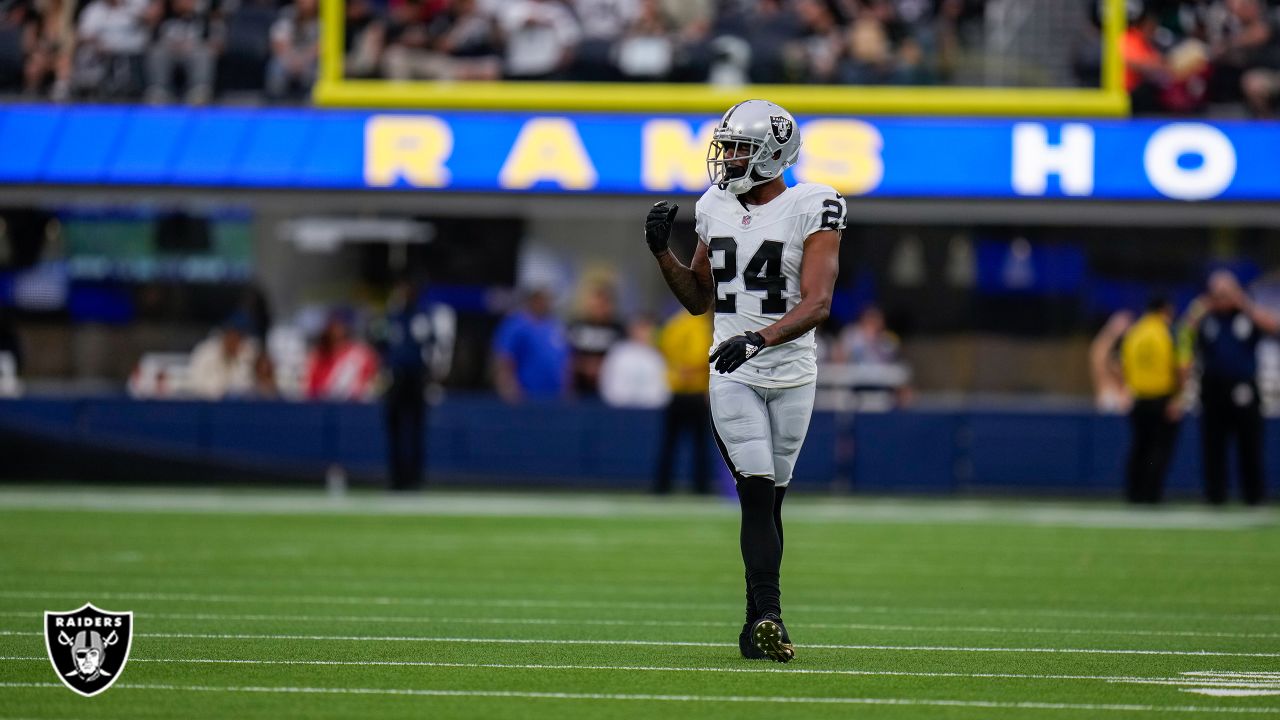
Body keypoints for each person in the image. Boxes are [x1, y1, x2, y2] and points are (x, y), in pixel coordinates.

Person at [646, 98, 845, 663]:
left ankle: (753, 623)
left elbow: (819, 301)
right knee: (755, 494)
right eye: (728, 146)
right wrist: (663, 252)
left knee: (772, 502)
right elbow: (696, 299)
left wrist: (758, 339)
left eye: (740, 148)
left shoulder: (815, 203)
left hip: (791, 373)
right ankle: (768, 615)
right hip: (730, 374)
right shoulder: (714, 204)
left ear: (774, 154)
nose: (728, 158)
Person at [1188, 270, 1280, 506]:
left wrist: (1244, 303)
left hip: (1243, 387)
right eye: (1217, 294)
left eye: (1226, 293)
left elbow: (1273, 326)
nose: (1222, 299)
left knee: (1249, 445)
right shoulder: (1207, 318)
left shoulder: (1246, 315)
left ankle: (1254, 496)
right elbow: (1185, 330)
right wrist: (1201, 307)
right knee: (1213, 445)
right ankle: (1215, 496)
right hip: (1213, 388)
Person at [377, 279, 455, 491]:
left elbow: (435, 346)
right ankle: (396, 477)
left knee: (416, 429)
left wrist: (433, 374)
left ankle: (415, 477)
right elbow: (381, 343)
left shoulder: (424, 317)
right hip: (396, 377)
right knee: (395, 429)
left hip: (416, 377)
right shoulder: (392, 317)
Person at [1120, 297, 1182, 504]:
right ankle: (1151, 494)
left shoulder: (1134, 332)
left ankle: (1134, 493)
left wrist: (1127, 389)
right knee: (1159, 449)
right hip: (1161, 397)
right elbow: (1181, 367)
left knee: (1139, 446)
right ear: (1165, 309)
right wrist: (1178, 397)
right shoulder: (1168, 332)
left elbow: (1122, 364)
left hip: (1138, 398)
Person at [654, 308, 713, 495]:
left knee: (670, 442)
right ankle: (701, 486)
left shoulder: (675, 322)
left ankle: (662, 485)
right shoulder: (700, 325)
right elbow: (702, 356)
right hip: (695, 391)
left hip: (676, 389)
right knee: (700, 444)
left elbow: (661, 345)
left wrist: (675, 369)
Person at [492, 287, 570, 403]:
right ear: (533, 300)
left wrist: (567, 391)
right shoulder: (515, 325)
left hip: (555, 399)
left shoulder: (555, 324)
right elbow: (503, 359)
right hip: (526, 398)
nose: (547, 303)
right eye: (543, 299)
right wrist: (509, 390)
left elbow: (565, 362)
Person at [304, 310, 380, 401]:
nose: (336, 330)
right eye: (333, 326)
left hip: (353, 407)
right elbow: (311, 388)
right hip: (323, 407)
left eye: (340, 326)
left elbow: (372, 384)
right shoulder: (319, 355)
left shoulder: (361, 355)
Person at [567, 282, 625, 397]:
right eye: (596, 305)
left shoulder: (618, 330)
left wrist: (601, 367)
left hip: (609, 388)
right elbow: (567, 357)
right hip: (579, 388)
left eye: (603, 305)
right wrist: (585, 366)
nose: (599, 309)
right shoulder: (576, 327)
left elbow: (623, 358)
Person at [598, 314, 669, 409]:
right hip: (619, 409)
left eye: (649, 329)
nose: (645, 333)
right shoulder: (619, 352)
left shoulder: (660, 355)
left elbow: (663, 388)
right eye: (641, 328)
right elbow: (609, 383)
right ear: (632, 329)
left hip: (651, 410)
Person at [188, 314, 258, 400]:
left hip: (239, 407)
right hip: (208, 405)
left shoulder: (249, 354)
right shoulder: (205, 352)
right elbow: (196, 383)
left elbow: (249, 385)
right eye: (231, 334)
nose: (234, 339)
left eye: (239, 336)